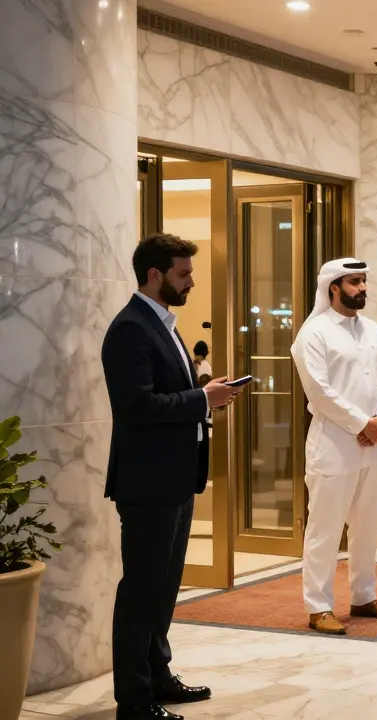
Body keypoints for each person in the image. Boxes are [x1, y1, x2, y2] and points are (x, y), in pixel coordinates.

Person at [103, 234, 242, 720]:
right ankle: (134, 700)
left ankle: (158, 676)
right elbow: (135, 406)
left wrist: (207, 389)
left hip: (177, 478)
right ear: (155, 275)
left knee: (163, 589)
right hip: (147, 483)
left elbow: (167, 393)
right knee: (141, 590)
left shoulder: (162, 324)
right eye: (183, 274)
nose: (191, 281)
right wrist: (203, 400)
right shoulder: (130, 328)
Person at [291, 258, 377, 635]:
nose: (363, 288)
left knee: (367, 526)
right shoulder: (314, 333)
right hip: (334, 446)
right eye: (355, 282)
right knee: (324, 529)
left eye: (364, 281)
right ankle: (318, 605)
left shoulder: (372, 329)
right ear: (333, 288)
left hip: (373, 443)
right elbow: (319, 392)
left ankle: (363, 595)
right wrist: (362, 423)